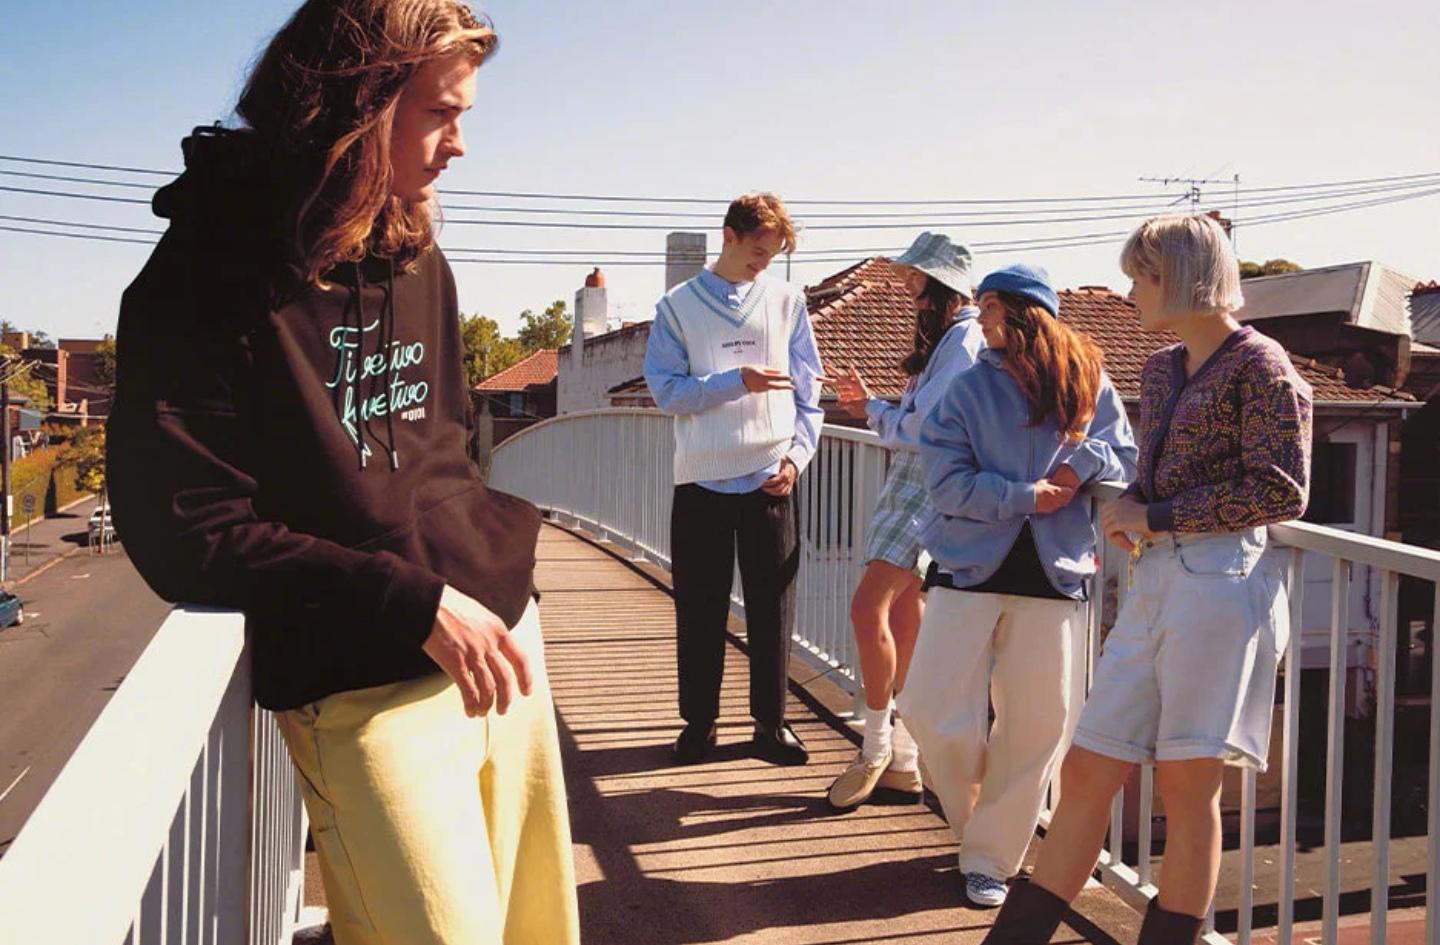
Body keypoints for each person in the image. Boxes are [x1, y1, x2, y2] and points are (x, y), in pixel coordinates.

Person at [106, 3, 579, 943]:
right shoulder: (205, 275)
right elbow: (186, 525)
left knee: (540, 931)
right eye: (442, 115)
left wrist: (480, 579)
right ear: (356, 108)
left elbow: (447, 448)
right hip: (368, 688)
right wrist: (409, 600)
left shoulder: (415, 250)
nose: (459, 147)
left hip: (503, 649)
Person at [983, 216, 1312, 945]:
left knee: (1190, 789)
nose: (1130, 291)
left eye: (1142, 276)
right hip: (1159, 578)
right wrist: (1136, 507)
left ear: (1184, 277)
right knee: (1089, 765)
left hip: (1225, 583)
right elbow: (1154, 470)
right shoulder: (1162, 367)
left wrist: (1155, 512)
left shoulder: (1264, 367)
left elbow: (1283, 490)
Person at [898, 264, 1138, 908]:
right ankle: (979, 814)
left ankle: (988, 857)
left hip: (1057, 578)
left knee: (1039, 724)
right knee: (926, 705)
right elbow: (945, 484)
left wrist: (1078, 463)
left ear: (1021, 313)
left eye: (987, 307)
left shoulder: (1088, 382)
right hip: (966, 569)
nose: (978, 318)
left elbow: (1124, 456)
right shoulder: (968, 389)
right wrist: (1026, 495)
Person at [642, 192, 828, 766]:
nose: (763, 264)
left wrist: (797, 458)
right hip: (700, 480)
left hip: (771, 475)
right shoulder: (676, 307)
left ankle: (770, 726)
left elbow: (809, 390)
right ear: (728, 236)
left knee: (774, 608)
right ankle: (699, 726)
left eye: (771, 255)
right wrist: (734, 382)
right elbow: (666, 391)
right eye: (756, 251)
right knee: (699, 607)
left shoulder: (787, 302)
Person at [826, 232, 985, 811]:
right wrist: (875, 405)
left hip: (926, 484)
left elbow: (930, 428)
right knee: (902, 611)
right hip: (916, 481)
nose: (911, 292)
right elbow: (920, 416)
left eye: (918, 282)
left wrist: (878, 414)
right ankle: (906, 758)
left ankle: (874, 745)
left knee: (869, 607)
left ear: (943, 285)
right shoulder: (950, 339)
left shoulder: (963, 340)